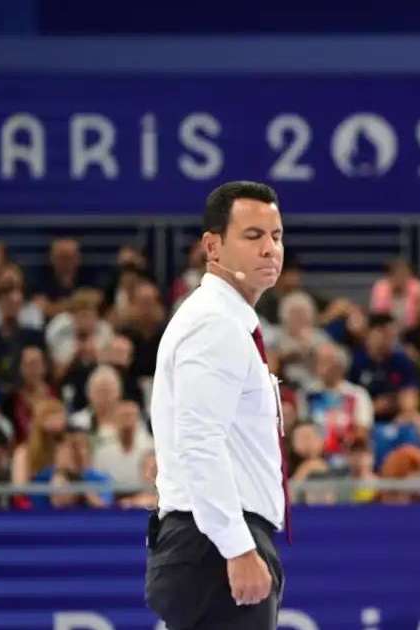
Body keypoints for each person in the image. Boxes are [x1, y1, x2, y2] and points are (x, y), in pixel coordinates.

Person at [146, 181, 287, 630]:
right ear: (213, 246)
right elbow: (199, 443)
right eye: (253, 236)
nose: (269, 249)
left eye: (276, 236)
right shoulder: (214, 324)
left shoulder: (228, 321)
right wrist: (237, 547)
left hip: (213, 540)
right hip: (213, 545)